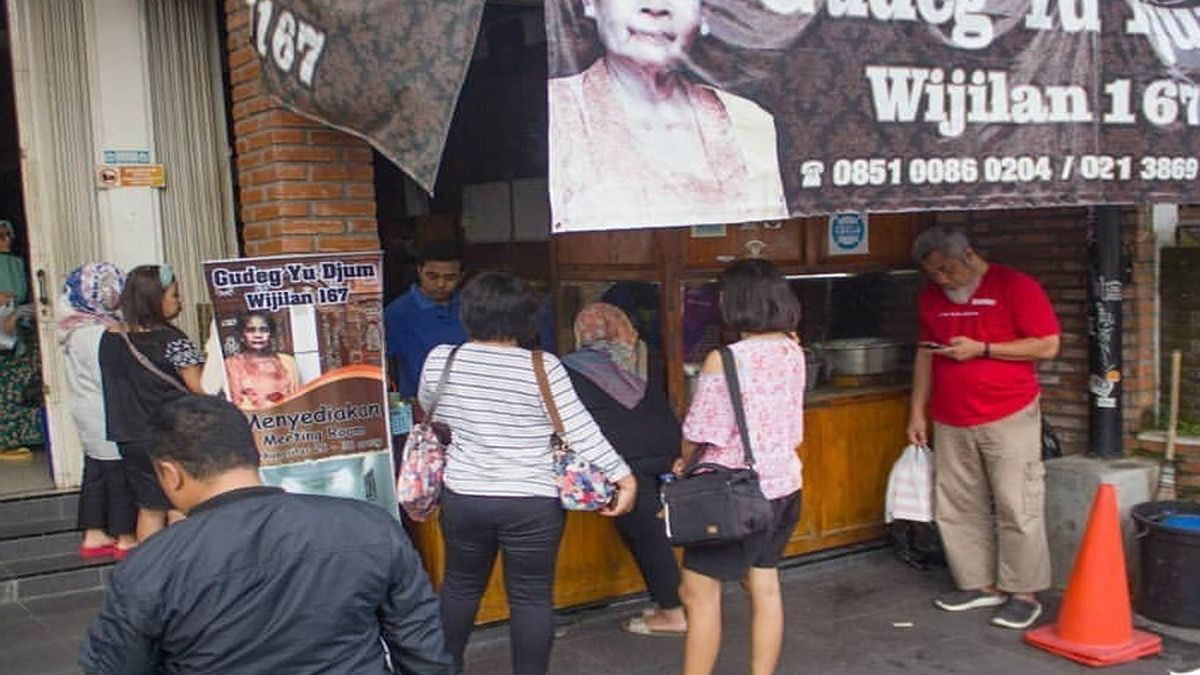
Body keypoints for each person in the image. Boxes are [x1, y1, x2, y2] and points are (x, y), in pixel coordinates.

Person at [78, 395, 455, 675]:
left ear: (170, 474)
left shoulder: (150, 566)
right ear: (256, 450)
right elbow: (424, 653)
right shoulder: (369, 527)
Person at [418, 271, 636, 675]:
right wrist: (623, 475)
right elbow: (579, 430)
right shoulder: (542, 366)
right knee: (531, 599)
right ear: (526, 319)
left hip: (465, 497)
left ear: (468, 314)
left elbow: (436, 411)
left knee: (460, 589)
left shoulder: (440, 359)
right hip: (532, 503)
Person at [906, 226, 1060, 630]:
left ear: (969, 255)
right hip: (950, 415)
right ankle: (978, 584)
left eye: (947, 269)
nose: (942, 279)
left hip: (1008, 412)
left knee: (1016, 501)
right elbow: (925, 354)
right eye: (933, 274)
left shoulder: (1015, 286)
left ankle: (1024, 592)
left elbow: (1047, 344)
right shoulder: (931, 299)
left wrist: (984, 349)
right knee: (956, 504)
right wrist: (917, 412)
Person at [548, 0, 787, 229]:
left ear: (706, 12)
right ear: (591, 3)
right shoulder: (558, 111)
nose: (655, 6)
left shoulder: (751, 120)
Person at [675, 258, 805, 675]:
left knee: (698, 592)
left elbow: (700, 430)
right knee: (765, 586)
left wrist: (683, 461)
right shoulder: (793, 348)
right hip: (784, 486)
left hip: (734, 494)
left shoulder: (725, 359)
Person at [562, 302, 686, 636]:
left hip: (622, 463)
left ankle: (674, 612)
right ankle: (674, 600)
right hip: (668, 451)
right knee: (659, 530)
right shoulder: (645, 357)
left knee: (647, 536)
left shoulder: (569, 369)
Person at [99, 264, 205, 544]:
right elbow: (199, 387)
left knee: (150, 507)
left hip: (129, 436)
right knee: (179, 505)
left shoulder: (110, 337)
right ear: (154, 299)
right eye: (174, 295)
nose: (179, 301)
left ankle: (148, 572)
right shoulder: (173, 340)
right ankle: (183, 569)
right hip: (170, 434)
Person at [57, 263, 137, 558]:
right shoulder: (103, 333)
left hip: (84, 409)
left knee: (95, 470)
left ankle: (93, 533)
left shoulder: (73, 327)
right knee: (119, 474)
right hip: (107, 411)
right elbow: (112, 378)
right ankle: (125, 536)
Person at [384, 241, 467, 399]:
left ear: (461, 276)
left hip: (468, 401)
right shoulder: (398, 313)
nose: (441, 284)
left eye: (450, 278)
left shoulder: (471, 307)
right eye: (432, 276)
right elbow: (385, 363)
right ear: (419, 271)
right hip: (421, 403)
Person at [0, 219, 43, 460]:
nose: (6, 240)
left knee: (23, 386)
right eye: (0, 236)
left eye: (8, 235)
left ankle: (24, 436)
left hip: (18, 331)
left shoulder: (16, 264)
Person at [223, 310, 301, 410]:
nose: (258, 335)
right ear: (242, 335)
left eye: (263, 330)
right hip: (253, 420)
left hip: (287, 419)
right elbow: (236, 403)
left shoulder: (287, 361)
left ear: (271, 334)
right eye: (251, 330)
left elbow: (298, 399)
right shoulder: (232, 363)